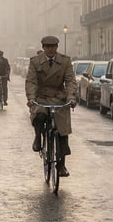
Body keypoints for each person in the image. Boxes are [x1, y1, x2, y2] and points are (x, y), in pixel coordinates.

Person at [26, 35, 76, 177]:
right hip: (41, 98)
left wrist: (71, 98)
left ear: (57, 47)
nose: (50, 49)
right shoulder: (35, 62)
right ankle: (38, 137)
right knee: (39, 116)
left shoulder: (65, 61)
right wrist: (31, 98)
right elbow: (31, 82)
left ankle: (62, 165)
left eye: (53, 46)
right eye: (47, 47)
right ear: (43, 48)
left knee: (62, 130)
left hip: (59, 98)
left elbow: (71, 81)